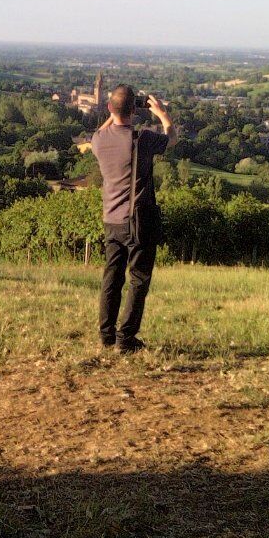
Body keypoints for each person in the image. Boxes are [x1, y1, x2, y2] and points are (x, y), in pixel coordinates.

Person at [88, 85, 179, 353]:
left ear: (109, 109)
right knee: (138, 279)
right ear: (134, 112)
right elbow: (172, 138)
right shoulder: (143, 139)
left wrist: (115, 109)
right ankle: (125, 338)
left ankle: (106, 335)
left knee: (111, 278)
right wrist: (162, 114)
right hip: (140, 220)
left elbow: (103, 128)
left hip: (111, 220)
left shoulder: (98, 141)